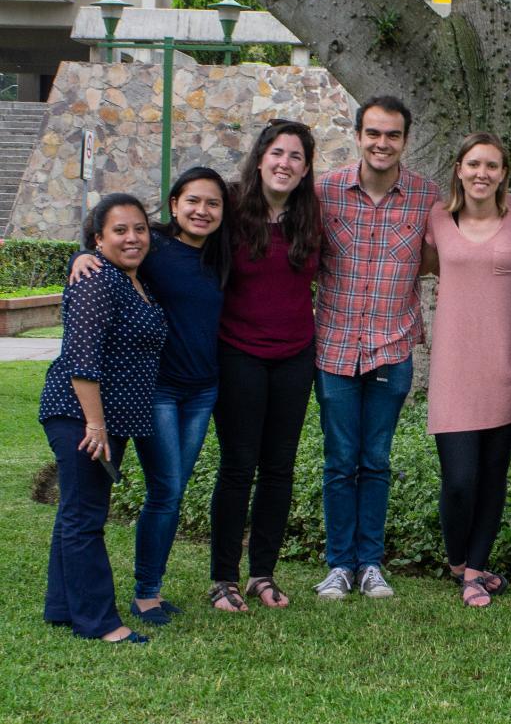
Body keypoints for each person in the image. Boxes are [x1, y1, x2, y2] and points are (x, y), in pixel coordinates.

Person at [69, 167, 232, 625]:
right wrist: (78, 255)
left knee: (171, 492)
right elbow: (108, 250)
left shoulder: (223, 254)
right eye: (193, 201)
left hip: (203, 390)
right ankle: (146, 593)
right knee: (167, 488)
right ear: (175, 203)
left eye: (213, 203)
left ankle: (150, 590)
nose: (203, 211)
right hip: (157, 391)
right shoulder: (154, 246)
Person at [312, 96, 441, 600]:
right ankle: (340, 565)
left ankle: (371, 564)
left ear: (405, 140)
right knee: (340, 459)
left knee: (376, 459)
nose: (382, 143)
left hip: (392, 346)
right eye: (373, 133)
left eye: (392, 135)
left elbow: (480, 228)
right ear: (359, 135)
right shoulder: (324, 192)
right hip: (335, 348)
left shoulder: (427, 198)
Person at [422, 133, 511, 607]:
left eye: (491, 166)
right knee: (459, 481)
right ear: (458, 168)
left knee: (493, 477)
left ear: (503, 173)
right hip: (453, 368)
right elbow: (417, 265)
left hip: (508, 364)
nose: (482, 173)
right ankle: (458, 562)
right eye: (473, 164)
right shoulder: (436, 218)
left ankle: (475, 570)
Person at [40, 193, 167, 643]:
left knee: (76, 510)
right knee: (85, 517)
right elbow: (81, 358)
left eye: (139, 228)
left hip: (109, 418)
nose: (132, 238)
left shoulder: (133, 278)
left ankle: (61, 607)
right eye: (119, 230)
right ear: (97, 238)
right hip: (81, 415)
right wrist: (95, 426)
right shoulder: (96, 279)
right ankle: (97, 622)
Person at [209, 120, 321, 611]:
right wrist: (88, 252)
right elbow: (161, 235)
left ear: (305, 169)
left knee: (279, 468)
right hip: (238, 354)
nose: (285, 163)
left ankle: (262, 573)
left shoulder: (313, 217)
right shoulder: (228, 207)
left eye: (295, 156)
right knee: (238, 466)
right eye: (278, 153)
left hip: (295, 356)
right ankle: (222, 579)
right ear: (260, 158)